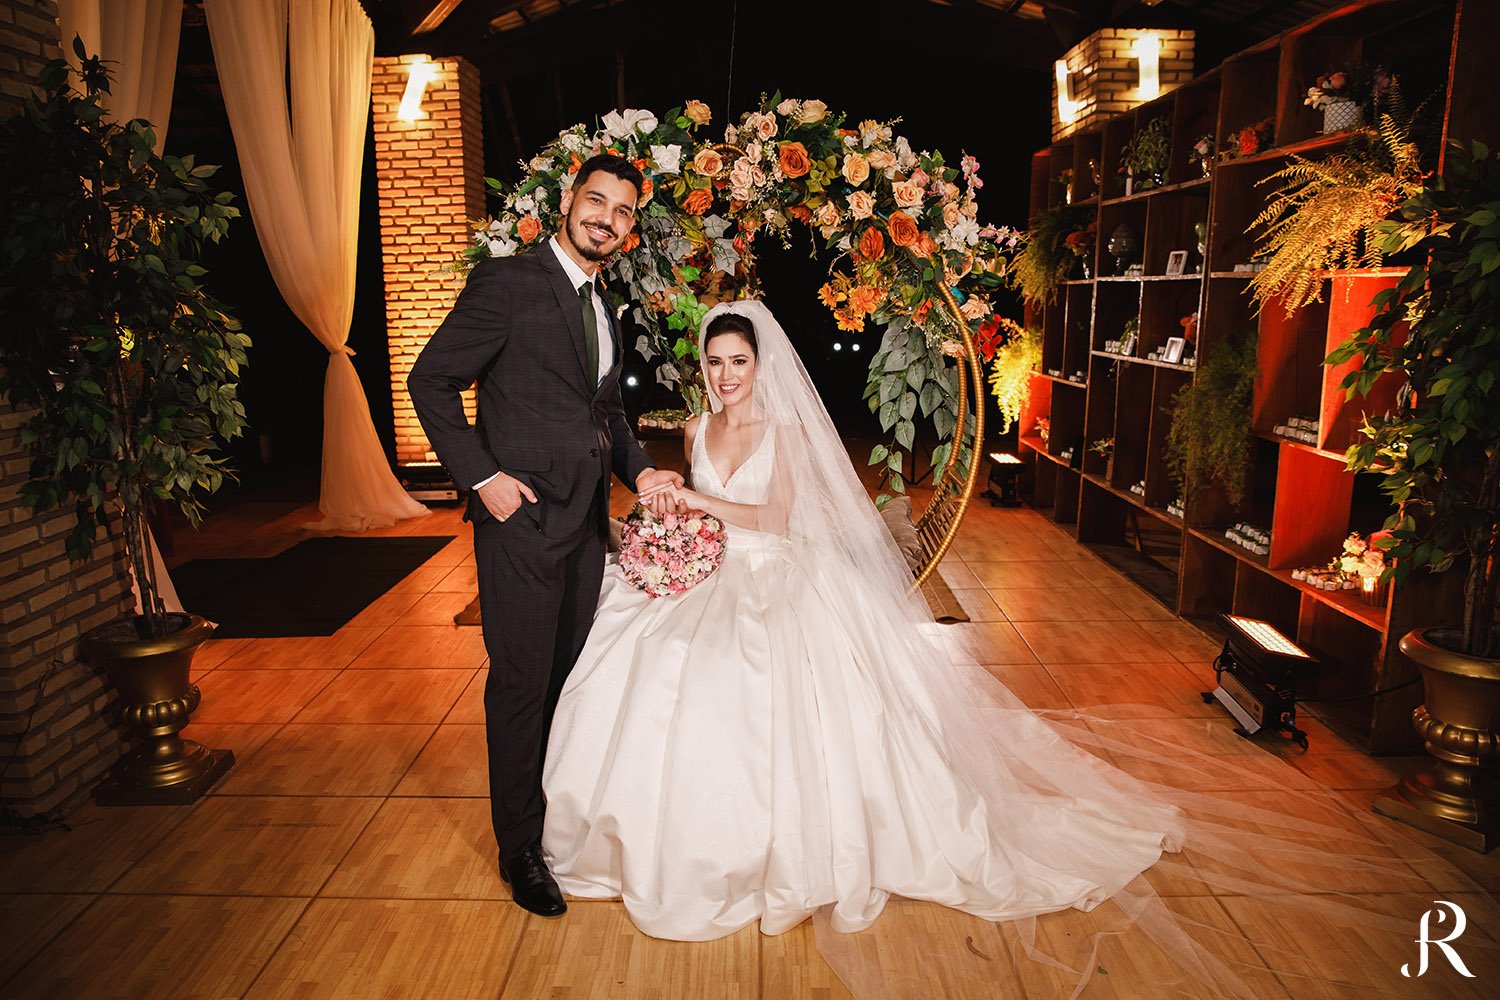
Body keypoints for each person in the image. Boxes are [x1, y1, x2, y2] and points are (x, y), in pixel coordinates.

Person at [540, 301, 1499, 997]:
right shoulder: (696, 426)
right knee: (653, 660)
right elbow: (695, 504)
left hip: (772, 571)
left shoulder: (781, 429)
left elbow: (781, 521)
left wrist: (700, 502)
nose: (724, 377)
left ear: (762, 366)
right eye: (714, 363)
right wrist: (674, 514)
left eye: (737, 363)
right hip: (711, 564)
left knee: (751, 678)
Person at [408, 154, 682, 918]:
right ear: (568, 200)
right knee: (522, 686)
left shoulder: (602, 302)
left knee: (567, 680)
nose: (607, 219)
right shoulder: (509, 282)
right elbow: (431, 379)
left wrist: (641, 471)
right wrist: (482, 478)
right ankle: (520, 850)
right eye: (597, 201)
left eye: (623, 211)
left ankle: (555, 820)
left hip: (586, 528)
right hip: (521, 525)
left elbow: (605, 412)